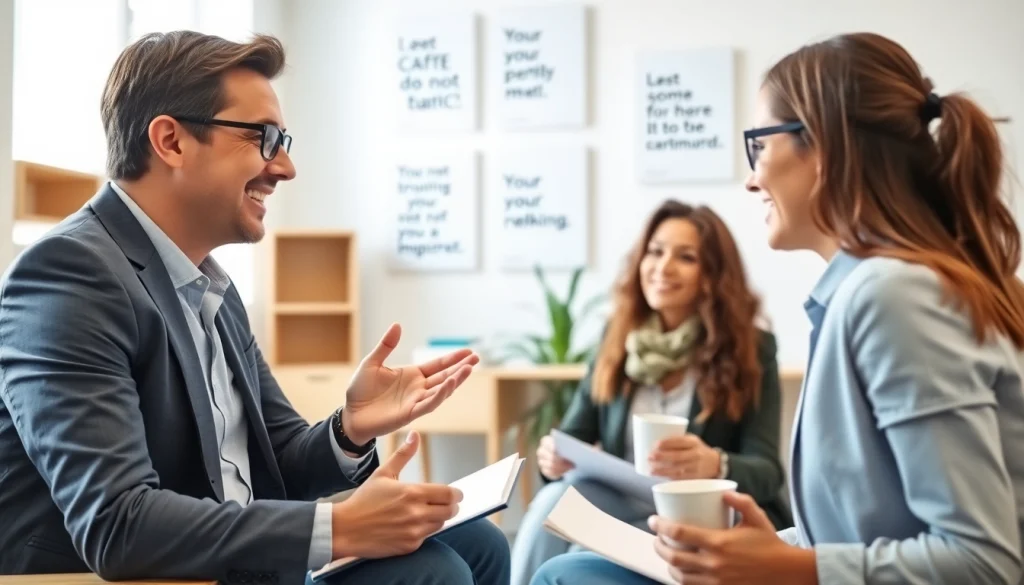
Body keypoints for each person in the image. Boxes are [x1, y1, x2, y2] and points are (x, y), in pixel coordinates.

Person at [0, 31, 510, 585]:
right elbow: (118, 525)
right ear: (170, 141)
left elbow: (278, 459)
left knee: (476, 541)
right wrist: (337, 529)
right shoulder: (70, 276)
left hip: (232, 560)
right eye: (265, 138)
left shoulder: (208, 285)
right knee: (432, 571)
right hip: (149, 576)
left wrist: (350, 429)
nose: (285, 167)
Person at [531, 31, 1024, 585]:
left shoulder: (894, 296)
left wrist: (790, 566)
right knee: (572, 568)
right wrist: (776, 547)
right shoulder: (870, 291)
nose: (750, 178)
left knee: (567, 578)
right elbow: (863, 528)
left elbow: (984, 564)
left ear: (824, 149)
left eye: (759, 146)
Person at [510, 200, 792, 585]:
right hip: (623, 502)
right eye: (655, 252)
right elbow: (571, 439)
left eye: (686, 257)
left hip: (696, 514)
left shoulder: (751, 349)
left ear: (712, 275)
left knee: (580, 556)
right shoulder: (617, 340)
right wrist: (552, 460)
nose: (662, 267)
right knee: (554, 500)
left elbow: (768, 473)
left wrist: (715, 464)